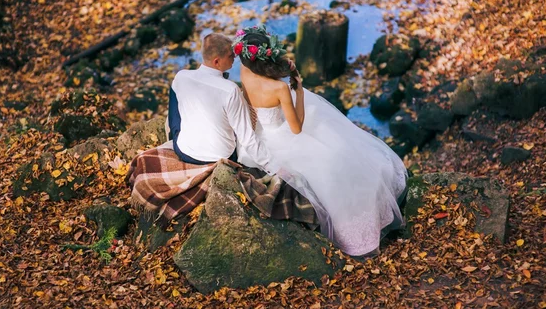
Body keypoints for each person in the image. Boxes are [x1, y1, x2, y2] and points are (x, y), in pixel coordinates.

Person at [235, 25, 408, 257]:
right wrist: (299, 90)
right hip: (285, 137)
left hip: (261, 136)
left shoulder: (244, 73)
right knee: (336, 154)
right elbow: (296, 128)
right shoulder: (279, 88)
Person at [168, 32, 279, 174]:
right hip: (218, 157)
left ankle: (182, 135)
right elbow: (247, 137)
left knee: (175, 96)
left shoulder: (181, 76)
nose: (235, 57)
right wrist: (274, 167)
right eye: (230, 55)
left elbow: (174, 116)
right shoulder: (230, 90)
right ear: (216, 61)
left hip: (185, 151)